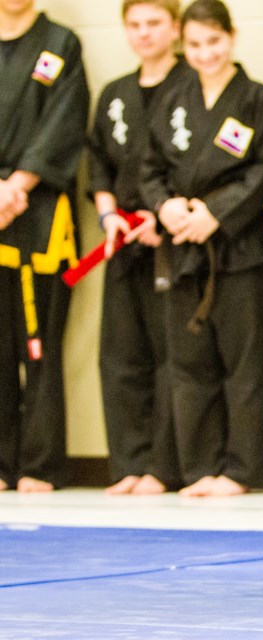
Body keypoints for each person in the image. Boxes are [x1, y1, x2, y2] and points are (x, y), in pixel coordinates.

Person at [140, 0, 263, 497]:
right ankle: (199, 468)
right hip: (182, 249)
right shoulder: (171, 98)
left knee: (246, 365)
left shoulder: (258, 100)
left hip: (239, 249)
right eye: (195, 45)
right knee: (189, 363)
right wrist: (166, 208)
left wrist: (213, 214)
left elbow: (261, 171)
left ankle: (243, 471)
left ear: (232, 37)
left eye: (214, 42)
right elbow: (149, 167)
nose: (205, 54)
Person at [88, 0, 191, 496]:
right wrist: (109, 214)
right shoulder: (115, 93)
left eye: (154, 24)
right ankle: (127, 462)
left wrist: (159, 214)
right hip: (121, 241)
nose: (144, 34)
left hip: (172, 240)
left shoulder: (191, 87)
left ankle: (162, 467)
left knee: (171, 354)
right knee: (120, 354)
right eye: (135, 25)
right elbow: (98, 161)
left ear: (174, 28)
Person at [0, 0, 89, 493]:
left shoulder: (60, 44)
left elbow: (63, 122)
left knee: (40, 345)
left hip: (37, 216)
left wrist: (16, 185)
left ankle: (40, 464)